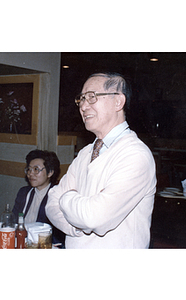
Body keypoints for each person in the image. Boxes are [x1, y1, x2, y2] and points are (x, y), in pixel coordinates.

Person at [46, 72, 157, 249]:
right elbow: (51, 204)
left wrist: (65, 198)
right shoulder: (85, 153)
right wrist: (76, 227)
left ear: (118, 102)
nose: (83, 106)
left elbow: (94, 217)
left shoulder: (135, 154)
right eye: (81, 99)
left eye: (92, 97)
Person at [12, 149, 65, 245]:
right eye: (29, 169)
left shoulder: (57, 195)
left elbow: (57, 234)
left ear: (50, 173)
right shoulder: (24, 193)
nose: (30, 174)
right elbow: (13, 221)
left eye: (36, 169)